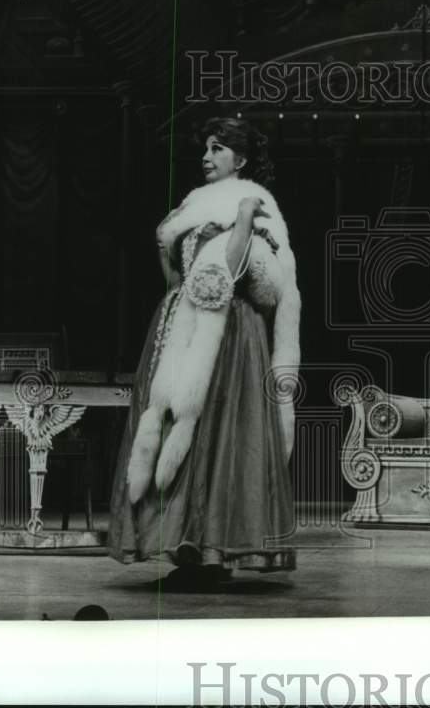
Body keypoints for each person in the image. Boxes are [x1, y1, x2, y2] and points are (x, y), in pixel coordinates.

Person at [107, 116, 301, 590]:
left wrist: (242, 218)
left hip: (230, 334)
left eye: (218, 149)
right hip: (178, 324)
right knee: (168, 424)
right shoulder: (192, 206)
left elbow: (252, 282)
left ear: (242, 158)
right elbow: (175, 281)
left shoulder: (257, 206)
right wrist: (164, 239)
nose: (206, 157)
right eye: (206, 149)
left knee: (217, 435)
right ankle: (179, 548)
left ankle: (210, 550)